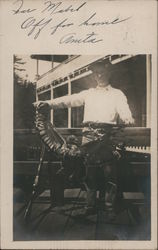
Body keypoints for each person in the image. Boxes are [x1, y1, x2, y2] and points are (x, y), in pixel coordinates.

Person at [35, 61, 134, 216]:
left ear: (109, 73)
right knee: (90, 174)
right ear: (94, 75)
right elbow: (68, 100)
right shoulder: (88, 93)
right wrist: (47, 103)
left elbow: (124, 109)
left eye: (103, 72)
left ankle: (109, 206)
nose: (100, 75)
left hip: (108, 137)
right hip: (88, 136)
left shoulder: (117, 94)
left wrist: (127, 117)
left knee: (110, 172)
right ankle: (90, 205)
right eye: (97, 73)